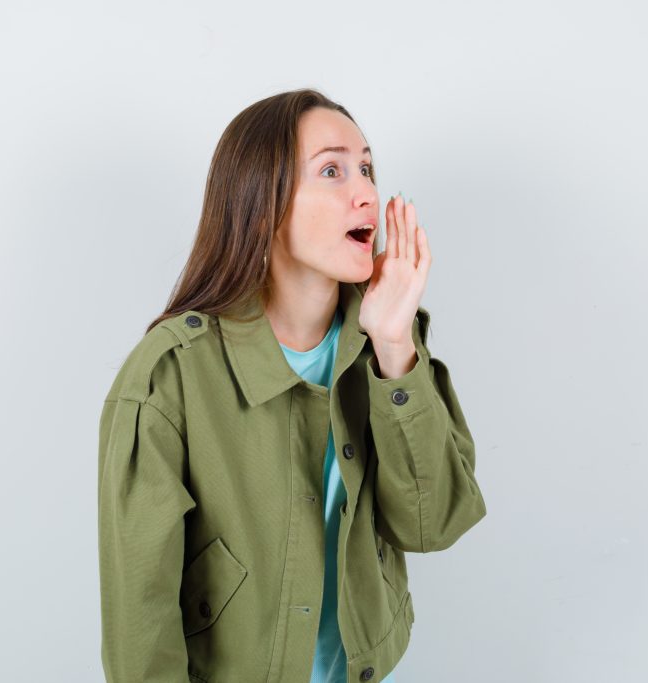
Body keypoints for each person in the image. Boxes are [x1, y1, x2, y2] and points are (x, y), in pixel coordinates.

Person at [97, 88, 487, 683]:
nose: (366, 192)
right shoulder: (168, 378)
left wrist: (393, 347)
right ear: (262, 203)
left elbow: (433, 525)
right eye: (331, 169)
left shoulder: (385, 343)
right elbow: (139, 633)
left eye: (366, 167)